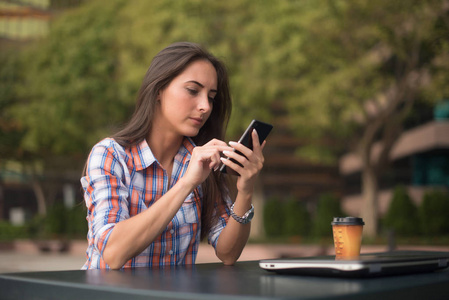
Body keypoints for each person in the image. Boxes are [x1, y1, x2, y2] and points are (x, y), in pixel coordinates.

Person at [80, 42, 267, 269]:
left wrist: (245, 190)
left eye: (211, 97)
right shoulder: (111, 155)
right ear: (158, 90)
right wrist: (187, 182)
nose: (205, 106)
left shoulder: (204, 160)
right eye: (192, 91)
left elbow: (228, 253)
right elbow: (114, 252)